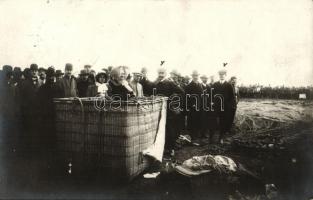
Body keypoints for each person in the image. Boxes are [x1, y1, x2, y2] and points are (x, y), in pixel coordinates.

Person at [154, 67, 184, 150]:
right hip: (158, 109)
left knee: (169, 128)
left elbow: (181, 91)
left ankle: (171, 148)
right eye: (159, 73)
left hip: (168, 110)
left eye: (162, 73)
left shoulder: (170, 83)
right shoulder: (155, 83)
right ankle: (162, 147)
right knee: (160, 128)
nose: (160, 75)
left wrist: (172, 100)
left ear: (165, 74)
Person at [19, 64, 41, 151]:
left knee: (37, 130)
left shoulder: (40, 82)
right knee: (28, 130)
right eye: (33, 70)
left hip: (37, 111)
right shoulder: (24, 83)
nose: (35, 72)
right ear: (30, 72)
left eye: (36, 70)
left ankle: (35, 149)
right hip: (28, 111)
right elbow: (22, 98)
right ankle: (28, 150)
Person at [37, 67, 58, 151]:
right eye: (50, 76)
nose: (52, 78)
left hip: (54, 114)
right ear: (47, 77)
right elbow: (39, 103)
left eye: (53, 76)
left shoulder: (56, 87)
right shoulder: (42, 88)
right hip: (45, 115)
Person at [213, 69, 236, 144]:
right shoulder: (215, 84)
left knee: (223, 122)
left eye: (223, 75)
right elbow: (211, 94)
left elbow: (232, 97)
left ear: (225, 76)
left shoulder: (228, 85)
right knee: (214, 121)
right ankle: (211, 138)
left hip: (225, 108)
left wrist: (228, 106)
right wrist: (212, 103)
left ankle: (221, 138)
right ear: (219, 76)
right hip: (216, 107)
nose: (221, 76)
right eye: (220, 75)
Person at [185, 70, 204, 140]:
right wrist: (189, 107)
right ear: (192, 76)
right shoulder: (188, 86)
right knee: (192, 121)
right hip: (192, 107)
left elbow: (202, 96)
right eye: (194, 76)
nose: (196, 77)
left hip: (200, 106)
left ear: (198, 76)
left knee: (199, 121)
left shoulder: (200, 85)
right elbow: (186, 98)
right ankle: (192, 136)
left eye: (197, 76)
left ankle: (197, 135)